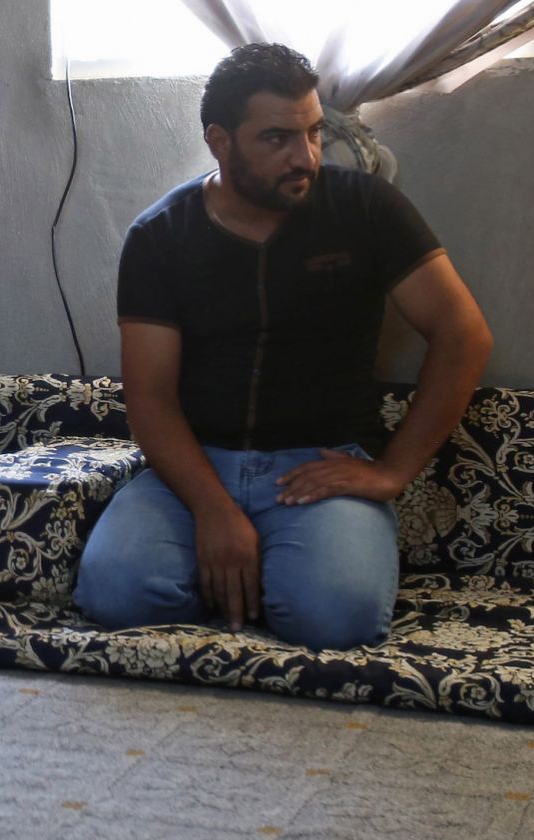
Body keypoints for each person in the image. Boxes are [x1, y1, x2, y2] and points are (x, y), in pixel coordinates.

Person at [73, 43, 493, 650]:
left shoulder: (366, 207)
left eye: (314, 132)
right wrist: (214, 511)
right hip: (194, 466)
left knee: (336, 617)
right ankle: (244, 569)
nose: (306, 157)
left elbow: (464, 335)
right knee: (116, 595)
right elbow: (152, 400)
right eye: (277, 139)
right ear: (220, 141)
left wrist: (392, 472)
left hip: (319, 465)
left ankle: (271, 573)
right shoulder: (160, 236)